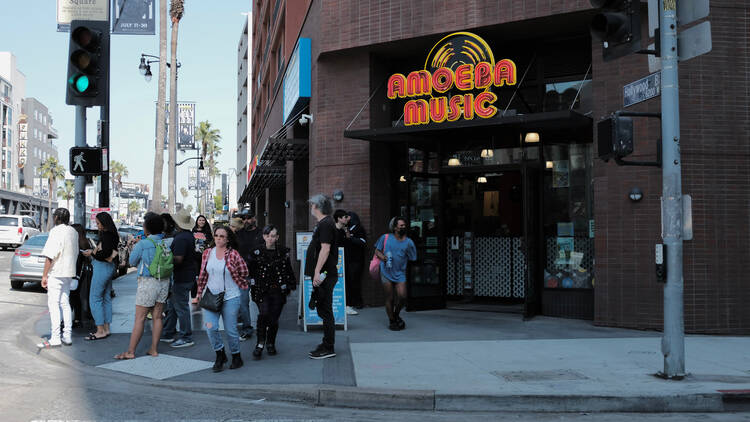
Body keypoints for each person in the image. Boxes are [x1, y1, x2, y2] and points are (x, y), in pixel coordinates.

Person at [114, 214, 170, 359]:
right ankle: (154, 349)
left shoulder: (143, 244)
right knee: (157, 317)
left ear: (146, 229)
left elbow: (132, 262)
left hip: (147, 282)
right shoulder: (165, 243)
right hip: (163, 281)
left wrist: (137, 244)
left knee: (140, 318)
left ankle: (130, 351)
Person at [196, 226, 249, 372]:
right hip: (211, 296)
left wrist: (235, 275)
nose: (218, 239)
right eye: (216, 236)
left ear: (228, 239)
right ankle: (220, 354)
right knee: (210, 327)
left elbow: (245, 271)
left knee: (231, 330)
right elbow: (203, 275)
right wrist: (199, 293)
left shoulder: (233, 254)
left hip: (230, 296)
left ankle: (236, 356)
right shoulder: (207, 253)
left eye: (222, 236)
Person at [248, 224, 296, 359]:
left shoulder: (282, 252)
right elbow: (249, 270)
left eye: (273, 236)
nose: (270, 238)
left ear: (277, 237)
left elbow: (288, 269)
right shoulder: (256, 252)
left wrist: (291, 284)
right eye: (268, 235)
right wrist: (249, 282)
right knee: (263, 314)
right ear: (264, 236)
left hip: (278, 290)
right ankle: (260, 344)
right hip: (261, 290)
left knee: (274, 318)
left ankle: (270, 343)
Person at [37, 208, 79, 348]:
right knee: (65, 303)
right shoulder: (73, 232)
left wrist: (44, 275)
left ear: (56, 218)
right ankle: (67, 335)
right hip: (69, 272)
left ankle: (55, 337)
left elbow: (50, 255)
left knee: (54, 305)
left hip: (57, 272)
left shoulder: (56, 231)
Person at [305, 194, 338, 359]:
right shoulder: (324, 223)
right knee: (323, 309)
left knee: (325, 310)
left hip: (325, 275)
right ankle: (326, 343)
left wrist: (317, 271)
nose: (311, 208)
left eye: (312, 205)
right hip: (323, 275)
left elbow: (325, 249)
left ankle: (328, 347)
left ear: (317, 207)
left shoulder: (326, 224)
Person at [161, 209, 197, 348]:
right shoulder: (187, 235)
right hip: (186, 276)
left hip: (182, 277)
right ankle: (168, 332)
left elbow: (179, 259)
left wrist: (166, 259)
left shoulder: (181, 238)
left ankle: (185, 336)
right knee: (174, 306)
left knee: (180, 307)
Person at [374, 216, 417, 331]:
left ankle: (396, 314)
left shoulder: (409, 242)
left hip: (399, 273)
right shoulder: (386, 237)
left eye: (404, 225)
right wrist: (382, 257)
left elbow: (413, 258)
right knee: (390, 297)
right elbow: (377, 251)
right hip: (386, 271)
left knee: (402, 297)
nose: (404, 227)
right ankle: (392, 320)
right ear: (395, 228)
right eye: (401, 226)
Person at [84, 212, 119, 341]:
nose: (97, 225)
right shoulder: (113, 234)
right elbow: (111, 252)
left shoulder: (107, 235)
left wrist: (92, 254)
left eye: (98, 223)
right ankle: (106, 328)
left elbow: (105, 253)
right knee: (106, 298)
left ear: (104, 223)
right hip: (109, 267)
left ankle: (100, 330)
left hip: (102, 267)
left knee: (95, 298)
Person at [235, 212, 263, 341]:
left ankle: (265, 326)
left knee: (261, 302)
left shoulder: (261, 233)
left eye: (249, 218)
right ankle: (247, 328)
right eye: (244, 219)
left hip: (259, 273)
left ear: (254, 218)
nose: (246, 220)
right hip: (243, 274)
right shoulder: (238, 234)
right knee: (243, 303)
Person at [333, 210, 367, 315]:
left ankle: (355, 302)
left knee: (354, 281)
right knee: (348, 281)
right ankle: (349, 303)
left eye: (348, 217)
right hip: (345, 260)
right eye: (345, 217)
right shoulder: (342, 230)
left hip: (356, 260)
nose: (347, 219)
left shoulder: (358, 229)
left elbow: (363, 242)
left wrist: (350, 238)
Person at [70, 223, 94, 329]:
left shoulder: (76, 246)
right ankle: (79, 318)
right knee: (81, 297)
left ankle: (76, 319)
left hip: (76, 275)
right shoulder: (86, 243)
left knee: (73, 298)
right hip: (84, 275)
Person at [191, 215, 213, 303]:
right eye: (199, 220)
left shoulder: (208, 232)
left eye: (203, 220)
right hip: (194, 256)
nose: (201, 222)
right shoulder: (193, 231)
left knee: (204, 276)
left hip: (205, 257)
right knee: (196, 276)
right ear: (197, 221)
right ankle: (196, 295)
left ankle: (202, 294)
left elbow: (211, 243)